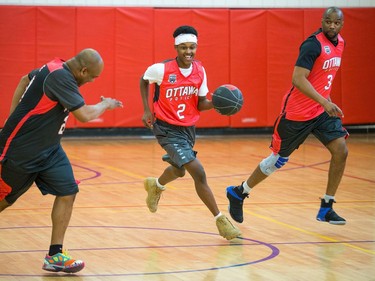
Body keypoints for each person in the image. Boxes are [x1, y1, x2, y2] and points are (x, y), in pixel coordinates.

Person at [0, 48, 123, 273]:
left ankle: (55, 255)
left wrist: (12, 114)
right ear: (83, 70)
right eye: (92, 77)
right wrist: (106, 104)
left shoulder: (55, 66)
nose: (92, 81)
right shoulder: (61, 77)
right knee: (6, 200)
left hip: (50, 150)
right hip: (21, 151)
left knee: (68, 191)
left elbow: (23, 80)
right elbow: (84, 115)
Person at [226, 7, 348, 225]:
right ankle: (239, 192)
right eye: (328, 21)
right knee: (277, 161)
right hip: (297, 113)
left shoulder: (341, 44)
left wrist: (323, 103)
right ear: (321, 21)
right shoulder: (312, 45)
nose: (332, 26)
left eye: (336, 22)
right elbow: (298, 79)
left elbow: (323, 78)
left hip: (321, 112)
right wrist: (324, 101)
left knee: (341, 150)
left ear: (341, 24)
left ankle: (327, 206)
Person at [140, 25, 241, 240]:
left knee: (178, 171)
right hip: (166, 128)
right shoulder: (161, 69)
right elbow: (144, 80)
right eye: (184, 47)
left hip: (188, 128)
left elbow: (201, 103)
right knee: (198, 172)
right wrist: (147, 109)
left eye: (192, 47)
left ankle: (155, 186)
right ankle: (221, 220)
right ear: (176, 48)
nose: (188, 52)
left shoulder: (200, 70)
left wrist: (219, 103)